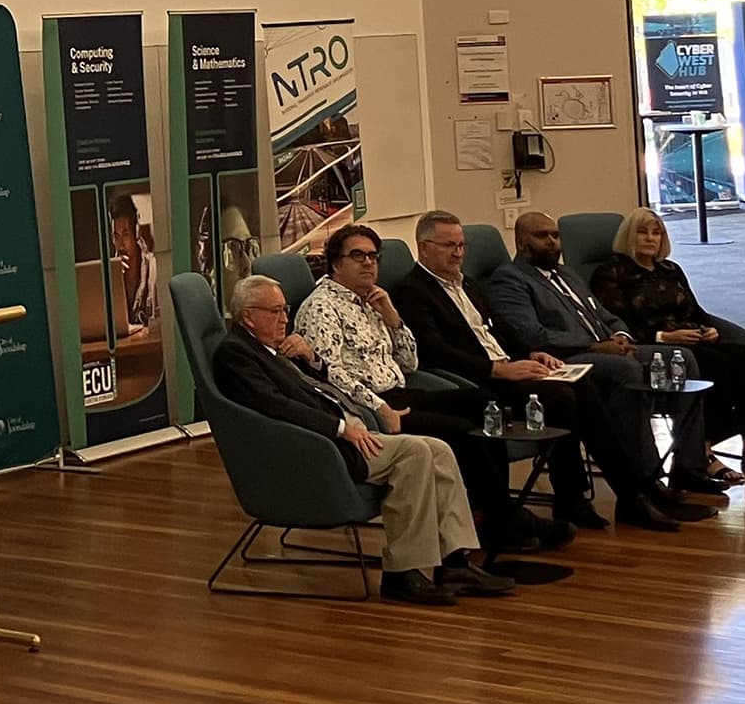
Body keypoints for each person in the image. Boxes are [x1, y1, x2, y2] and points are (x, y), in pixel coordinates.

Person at [214, 275, 513, 605]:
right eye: (275, 311)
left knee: (438, 448)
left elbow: (316, 386)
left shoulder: (272, 348)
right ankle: (403, 573)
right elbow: (278, 406)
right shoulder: (236, 354)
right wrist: (342, 427)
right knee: (414, 453)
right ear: (248, 316)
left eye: (285, 309)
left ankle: (455, 561)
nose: (285, 318)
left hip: (344, 431)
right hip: (321, 447)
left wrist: (310, 357)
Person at [293, 225, 561, 552]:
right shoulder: (321, 307)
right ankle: (502, 521)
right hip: (369, 407)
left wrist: (392, 317)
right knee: (462, 431)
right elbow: (329, 374)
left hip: (401, 392)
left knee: (484, 404)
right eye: (357, 256)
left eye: (373, 256)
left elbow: (409, 363)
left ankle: (495, 513)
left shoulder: (373, 301)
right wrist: (379, 408)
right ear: (336, 263)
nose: (368, 263)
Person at [391, 210, 641, 533]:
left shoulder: (466, 283)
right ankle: (589, 495)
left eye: (462, 245)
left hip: (511, 364)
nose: (458, 253)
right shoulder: (412, 290)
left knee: (579, 383)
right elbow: (434, 350)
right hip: (482, 378)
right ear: (424, 248)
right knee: (561, 397)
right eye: (448, 245)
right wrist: (498, 370)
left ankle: (616, 491)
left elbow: (499, 328)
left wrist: (532, 353)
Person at [487, 212, 718, 529]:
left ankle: (690, 468)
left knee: (681, 357)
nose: (552, 241)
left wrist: (620, 335)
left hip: (606, 348)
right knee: (623, 371)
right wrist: (596, 346)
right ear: (521, 241)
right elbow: (532, 334)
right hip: (564, 358)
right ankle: (644, 483)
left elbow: (604, 314)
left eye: (555, 235)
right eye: (543, 236)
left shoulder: (567, 275)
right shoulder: (510, 279)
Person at [590, 207, 745, 481]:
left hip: (692, 339)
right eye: (642, 232)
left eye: (656, 233)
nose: (650, 239)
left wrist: (709, 329)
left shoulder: (671, 269)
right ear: (629, 236)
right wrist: (664, 338)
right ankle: (703, 450)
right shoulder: (611, 273)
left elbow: (694, 310)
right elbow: (617, 321)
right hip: (656, 345)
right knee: (714, 364)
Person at [109, 191, 158, 330]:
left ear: (136, 232)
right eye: (115, 236)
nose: (120, 244)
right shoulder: (110, 275)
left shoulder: (154, 268)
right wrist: (115, 281)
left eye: (125, 234)